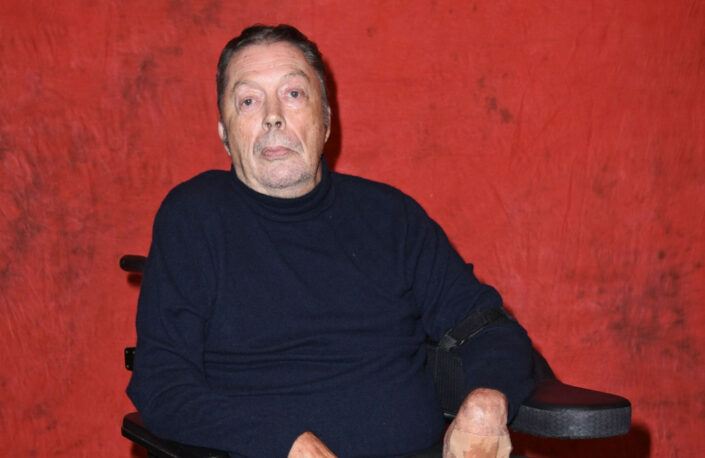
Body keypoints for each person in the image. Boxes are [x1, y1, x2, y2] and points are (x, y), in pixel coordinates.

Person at [127, 24, 535, 458]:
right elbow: (161, 384)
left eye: (293, 94)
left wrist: (488, 401)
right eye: (248, 101)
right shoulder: (194, 218)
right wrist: (280, 441)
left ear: (325, 120)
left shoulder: (391, 218)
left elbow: (488, 326)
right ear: (225, 133)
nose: (272, 116)